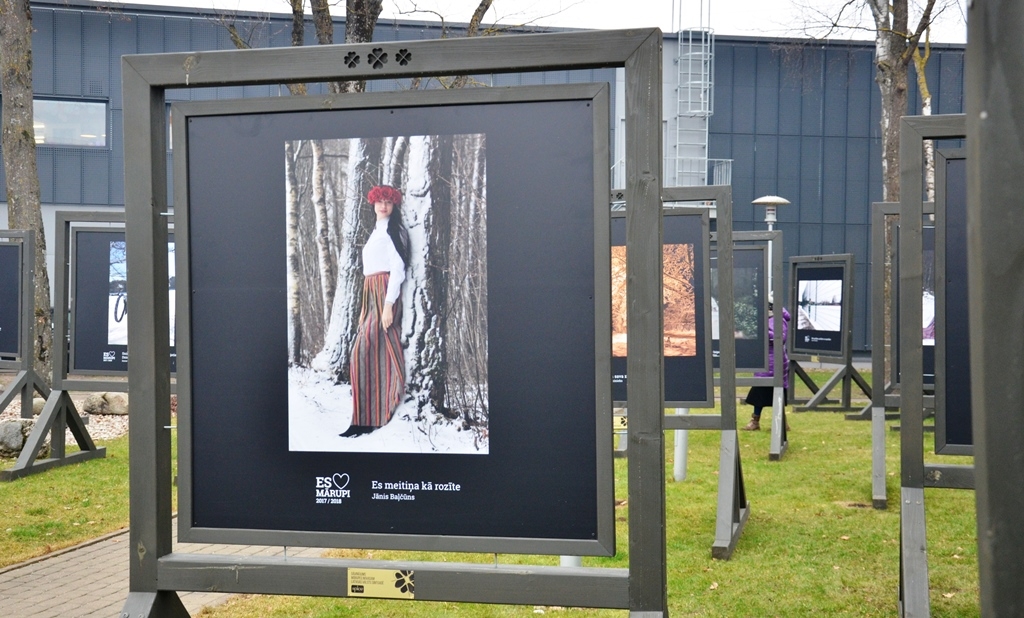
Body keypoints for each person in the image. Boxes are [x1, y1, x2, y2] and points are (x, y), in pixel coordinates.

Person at [340, 184, 410, 437]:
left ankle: (378, 414)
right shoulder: (376, 231)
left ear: (394, 206)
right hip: (371, 292)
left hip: (385, 291)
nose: (383, 205)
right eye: (379, 201)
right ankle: (361, 420)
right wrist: (365, 307)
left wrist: (388, 305)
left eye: (388, 202)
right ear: (372, 203)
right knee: (363, 354)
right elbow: (368, 270)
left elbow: (398, 268)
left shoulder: (394, 231)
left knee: (368, 352)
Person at [742, 294, 790, 431]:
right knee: (759, 394)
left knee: (776, 393)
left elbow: (779, 338)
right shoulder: (767, 319)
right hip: (764, 363)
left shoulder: (779, 320)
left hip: (775, 363)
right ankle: (755, 421)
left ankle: (781, 424)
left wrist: (761, 332)